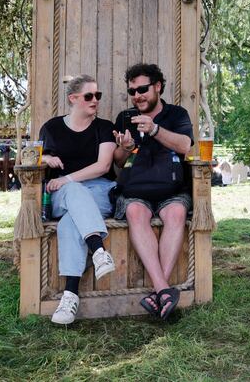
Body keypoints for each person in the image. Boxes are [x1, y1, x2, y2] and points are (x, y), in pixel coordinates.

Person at [112, 63, 194, 321]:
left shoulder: (176, 114)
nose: (137, 96)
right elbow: (117, 161)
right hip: (136, 189)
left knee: (177, 213)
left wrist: (155, 129)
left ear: (158, 87)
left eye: (143, 89)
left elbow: (185, 146)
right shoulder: (125, 117)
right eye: (132, 91)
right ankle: (164, 291)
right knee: (135, 212)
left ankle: (158, 292)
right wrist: (125, 148)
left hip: (171, 188)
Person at [39, 75, 118, 325]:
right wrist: (44, 160)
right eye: (89, 96)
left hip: (99, 191)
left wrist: (67, 178)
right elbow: (30, 155)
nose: (95, 100)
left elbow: (103, 166)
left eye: (98, 96)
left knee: (69, 223)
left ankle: (69, 296)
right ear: (73, 99)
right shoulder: (51, 127)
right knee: (74, 192)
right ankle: (98, 250)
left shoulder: (103, 127)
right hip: (62, 194)